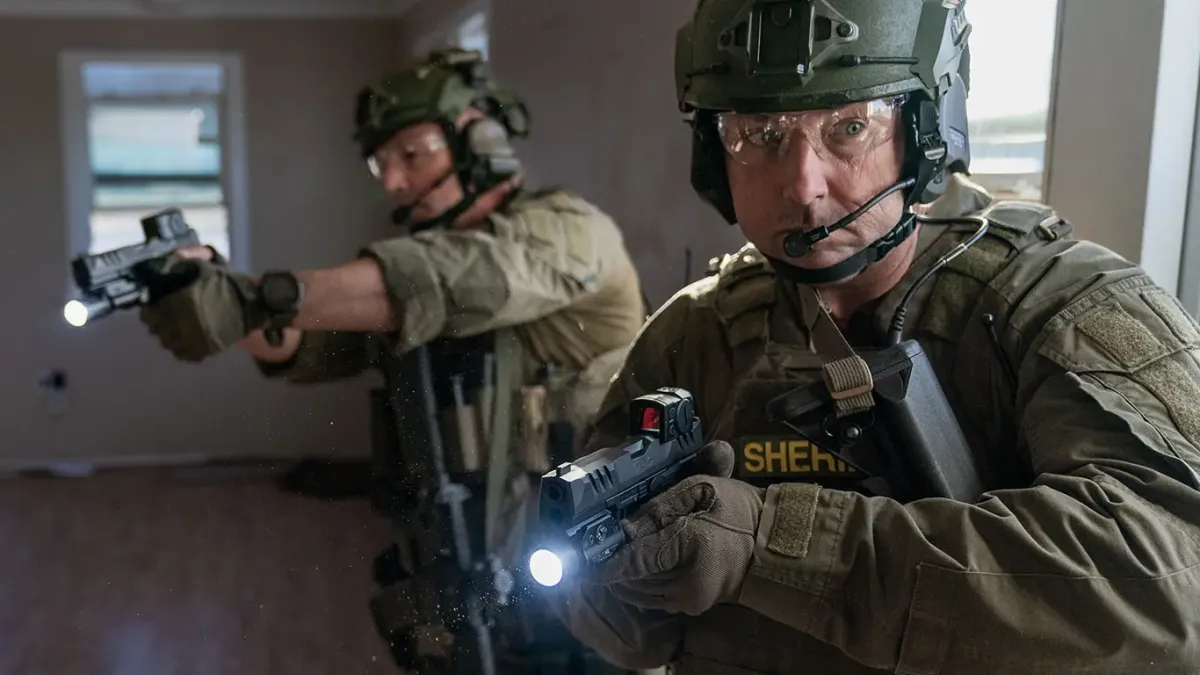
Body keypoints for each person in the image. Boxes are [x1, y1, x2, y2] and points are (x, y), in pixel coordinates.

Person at [545, 1, 1200, 674]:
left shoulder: (1059, 306)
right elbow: (627, 636)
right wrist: (624, 572)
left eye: (850, 127)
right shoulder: (694, 330)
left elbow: (1171, 593)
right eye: (760, 134)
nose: (803, 185)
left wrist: (768, 544)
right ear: (715, 156)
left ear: (925, 133)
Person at [136, 48, 648, 674]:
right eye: (382, 163)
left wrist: (247, 300)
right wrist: (207, 291)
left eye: (413, 153)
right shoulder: (412, 288)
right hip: (471, 584)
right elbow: (302, 340)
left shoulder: (570, 232)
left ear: (480, 138)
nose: (394, 181)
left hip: (586, 594)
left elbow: (455, 277)